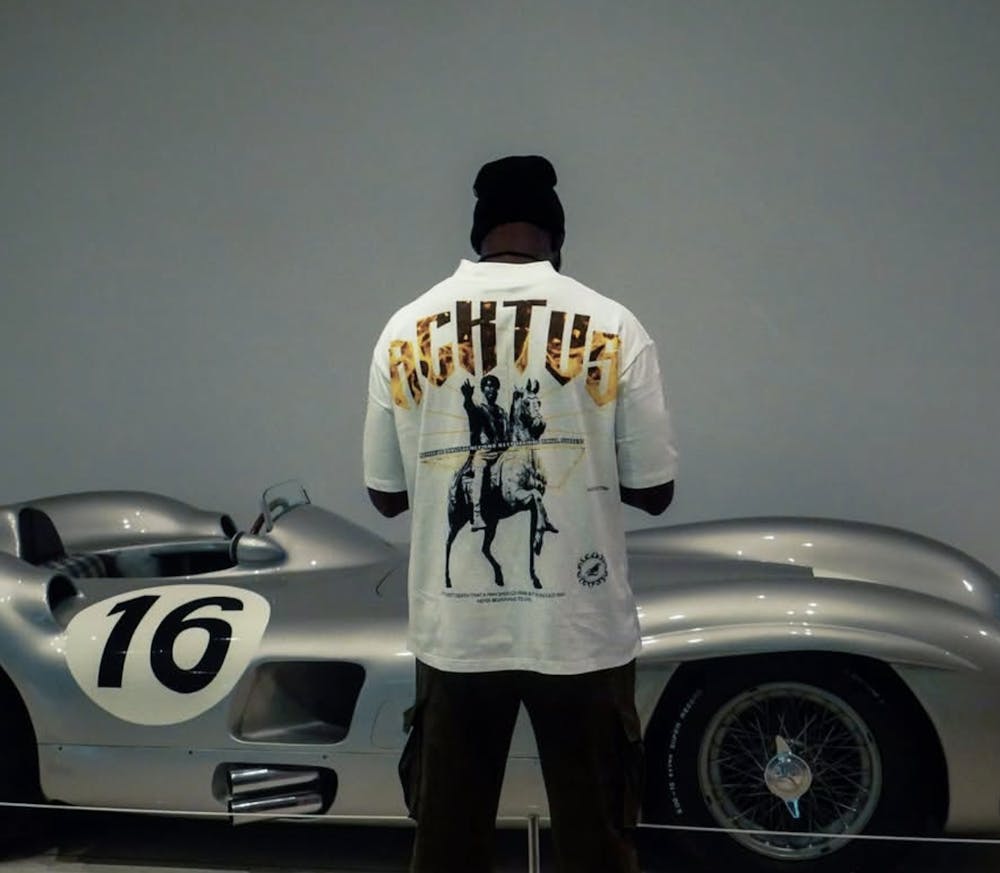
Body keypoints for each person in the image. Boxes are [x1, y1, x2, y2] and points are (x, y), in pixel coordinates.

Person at [363, 155, 678, 873]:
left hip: (456, 635)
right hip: (583, 631)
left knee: (447, 845)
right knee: (598, 844)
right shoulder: (614, 324)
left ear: (478, 234)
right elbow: (655, 488)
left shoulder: (405, 329)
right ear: (556, 234)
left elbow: (386, 494)